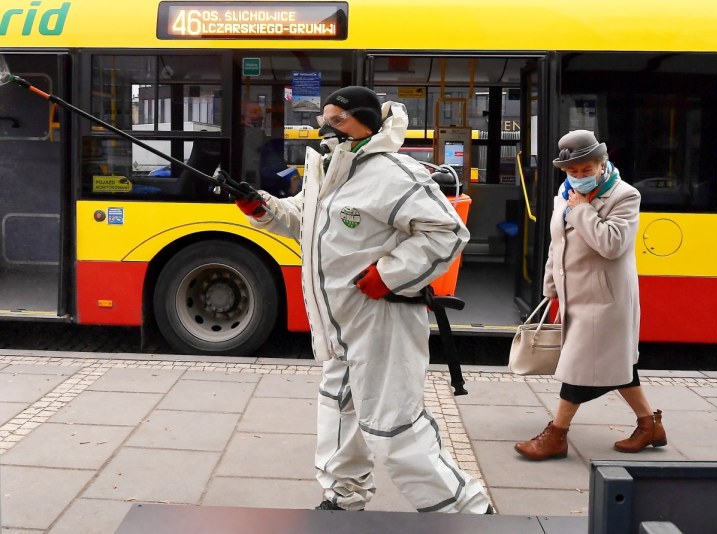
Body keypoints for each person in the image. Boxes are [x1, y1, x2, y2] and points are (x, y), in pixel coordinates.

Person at [235, 86, 493, 514]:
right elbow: (304, 220)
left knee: (394, 428)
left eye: (337, 119)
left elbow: (447, 232)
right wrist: (260, 206)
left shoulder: (394, 173)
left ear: (365, 123)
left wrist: (389, 275)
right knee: (338, 413)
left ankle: (466, 512)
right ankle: (344, 495)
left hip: (382, 322)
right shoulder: (328, 171)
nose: (326, 127)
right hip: (340, 324)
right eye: (324, 118)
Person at [514, 130, 667, 460]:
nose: (579, 177)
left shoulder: (624, 196)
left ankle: (556, 435)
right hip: (574, 296)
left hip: (605, 300)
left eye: (586, 170)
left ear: (602, 163)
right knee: (615, 363)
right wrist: (550, 289)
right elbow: (559, 243)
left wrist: (582, 210)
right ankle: (649, 425)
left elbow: (612, 245)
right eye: (572, 171)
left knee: (578, 367)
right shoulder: (564, 192)